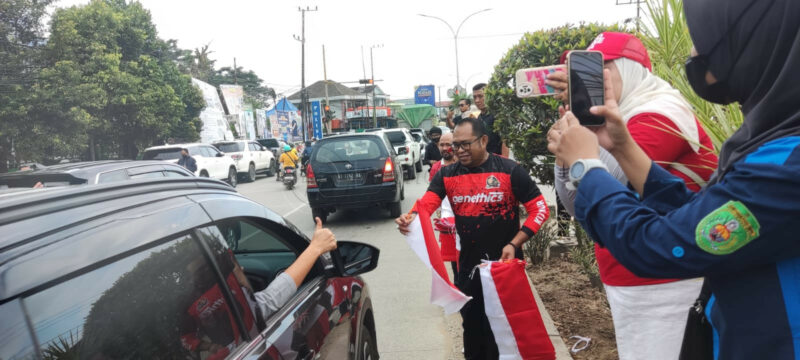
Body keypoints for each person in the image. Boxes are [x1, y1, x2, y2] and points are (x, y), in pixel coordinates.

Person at [550, 0, 800, 358]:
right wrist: (622, 147)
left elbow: (660, 244)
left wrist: (585, 167)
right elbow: (699, 213)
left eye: (702, 41)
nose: (694, 55)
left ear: (755, 40)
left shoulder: (786, 166)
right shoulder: (769, 139)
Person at [546, 32, 719, 360]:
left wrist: (579, 154)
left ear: (630, 69)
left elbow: (598, 183)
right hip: (636, 275)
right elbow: (580, 203)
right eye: (581, 71)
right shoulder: (616, 122)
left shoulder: (659, 115)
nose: (587, 78)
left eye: (600, 67)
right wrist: (568, 148)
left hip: (666, 281)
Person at [396, 117, 550, 359]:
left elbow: (540, 210)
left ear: (484, 140)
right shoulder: (447, 175)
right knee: (473, 326)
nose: (458, 150)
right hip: (468, 266)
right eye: (455, 145)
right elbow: (426, 205)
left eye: (465, 144)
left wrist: (514, 243)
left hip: (505, 265)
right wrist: (410, 217)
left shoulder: (510, 170)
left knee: (508, 328)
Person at [428, 132, 459, 274]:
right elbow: (432, 195)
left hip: (468, 219)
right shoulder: (436, 169)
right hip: (448, 222)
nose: (445, 148)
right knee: (454, 261)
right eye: (441, 145)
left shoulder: (464, 164)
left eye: (448, 144)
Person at [472, 83, 510, 157]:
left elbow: (505, 140)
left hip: (497, 161)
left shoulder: (498, 115)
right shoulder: (479, 118)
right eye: (474, 97)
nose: (477, 100)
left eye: (480, 96)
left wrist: (504, 163)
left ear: (489, 95)